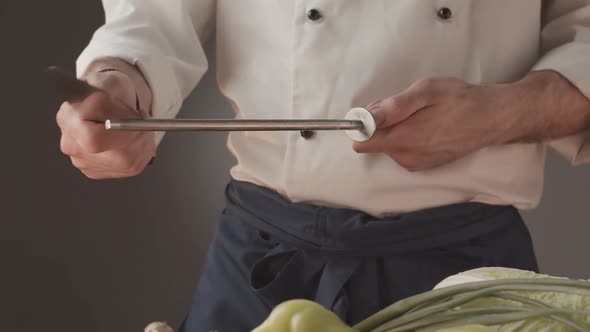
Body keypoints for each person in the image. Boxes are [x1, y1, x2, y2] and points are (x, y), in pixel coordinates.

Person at [55, 1, 590, 331]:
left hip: (464, 276)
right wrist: (118, 85)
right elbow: (150, 19)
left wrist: (499, 114)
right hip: (265, 264)